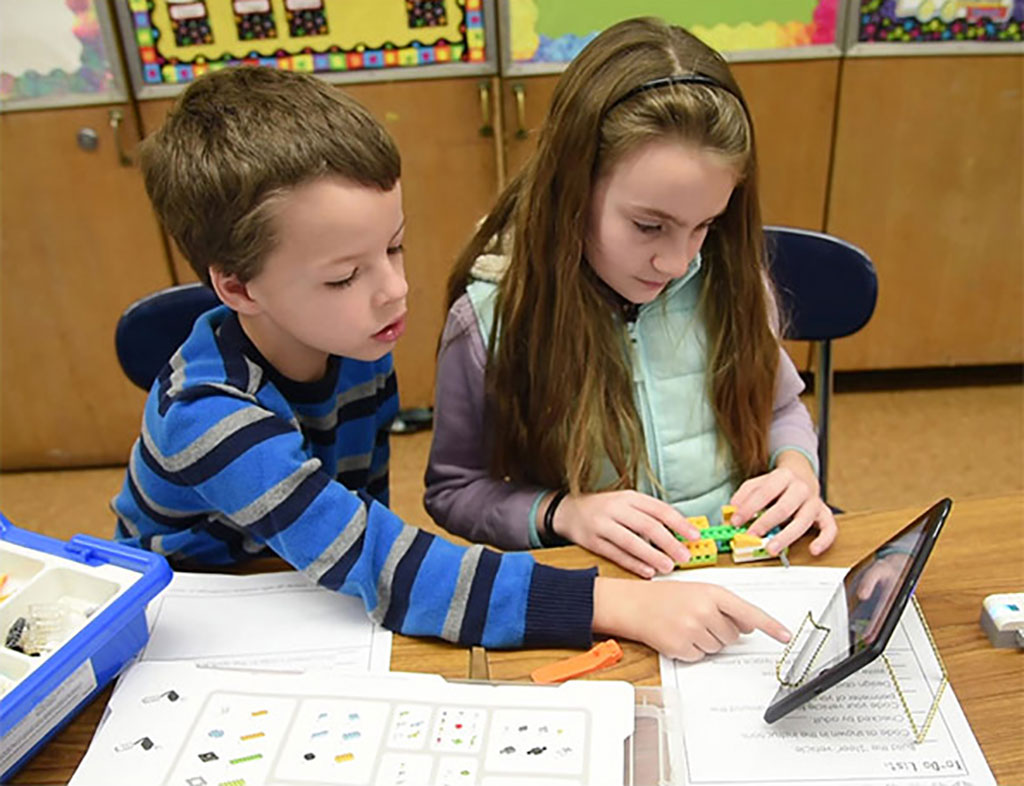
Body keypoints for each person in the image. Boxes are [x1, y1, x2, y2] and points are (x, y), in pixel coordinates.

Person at [111, 65, 789, 661]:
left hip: (309, 597)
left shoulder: (352, 344)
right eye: (346, 274)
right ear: (237, 287)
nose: (394, 290)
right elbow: (383, 566)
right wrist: (613, 606)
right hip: (192, 626)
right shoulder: (210, 416)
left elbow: (363, 537)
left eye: (395, 247)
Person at [426, 18, 836, 583]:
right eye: (648, 226)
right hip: (599, 588)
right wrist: (563, 514)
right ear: (574, 186)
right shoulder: (490, 319)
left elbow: (781, 408)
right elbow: (454, 490)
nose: (676, 262)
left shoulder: (730, 280)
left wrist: (796, 469)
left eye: (705, 226)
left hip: (743, 575)